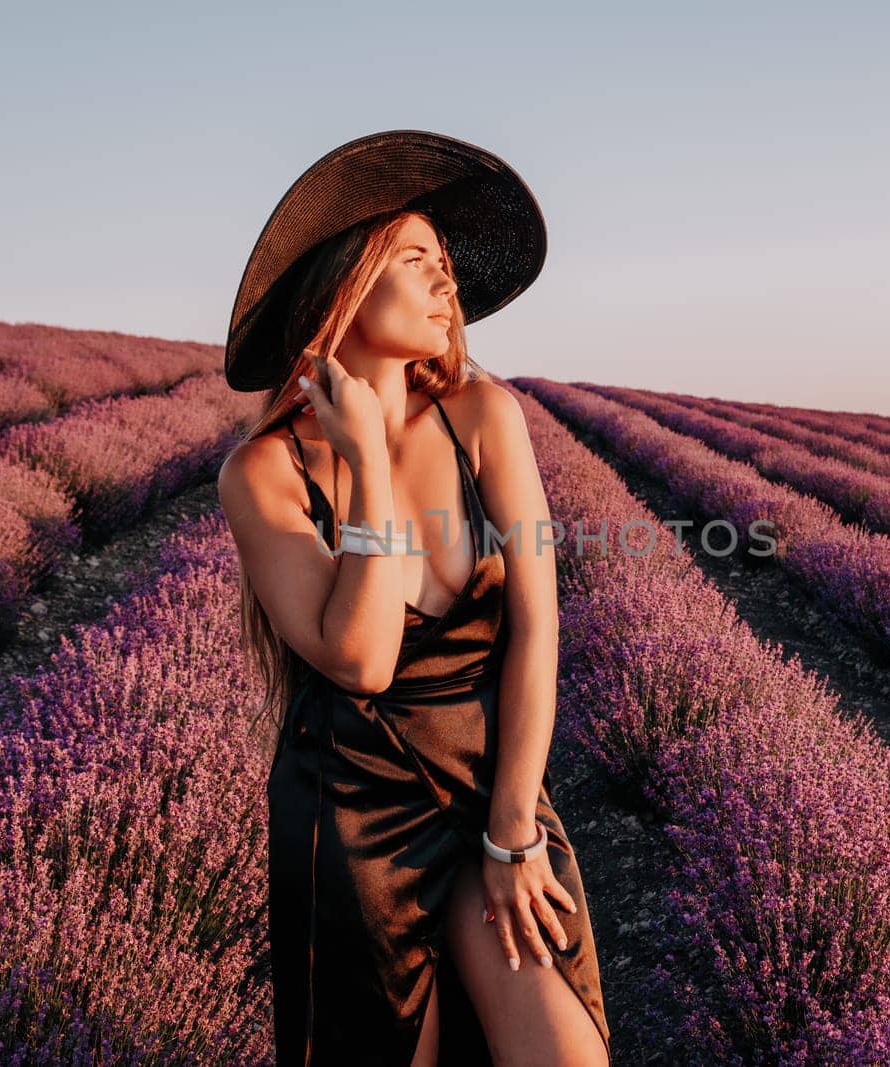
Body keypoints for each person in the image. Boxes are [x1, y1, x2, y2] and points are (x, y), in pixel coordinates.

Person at [216, 130, 612, 1066]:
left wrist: (514, 826)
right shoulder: (263, 473)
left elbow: (536, 629)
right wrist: (365, 461)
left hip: (488, 789)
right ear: (348, 285)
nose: (448, 286)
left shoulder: (485, 414)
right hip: (353, 815)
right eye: (418, 260)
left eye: (447, 265)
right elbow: (363, 659)